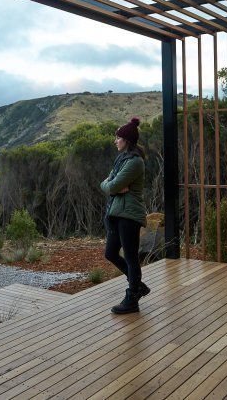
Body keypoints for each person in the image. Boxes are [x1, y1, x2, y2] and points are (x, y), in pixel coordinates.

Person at [100, 117, 149, 314]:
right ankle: (138, 286)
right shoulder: (121, 159)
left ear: (126, 140)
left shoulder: (135, 162)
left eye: (118, 138)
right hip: (117, 213)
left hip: (129, 215)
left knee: (130, 257)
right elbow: (107, 184)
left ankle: (132, 299)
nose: (115, 141)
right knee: (110, 253)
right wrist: (113, 187)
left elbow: (111, 185)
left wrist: (112, 186)